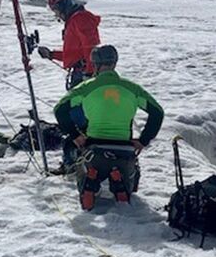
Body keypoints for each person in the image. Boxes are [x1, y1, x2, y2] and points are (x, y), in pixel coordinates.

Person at [54, 45, 164, 210]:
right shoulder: (132, 88)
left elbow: (60, 109)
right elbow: (157, 113)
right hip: (124, 151)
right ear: (115, 63)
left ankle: (90, 181)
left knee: (84, 162)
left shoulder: (87, 87)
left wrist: (75, 135)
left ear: (95, 64)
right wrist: (143, 140)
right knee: (129, 178)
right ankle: (120, 182)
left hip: (94, 149)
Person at [38, 0, 101, 89]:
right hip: (80, 72)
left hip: (84, 74)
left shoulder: (80, 19)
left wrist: (89, 75)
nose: (56, 15)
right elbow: (74, 54)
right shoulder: (73, 21)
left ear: (62, 7)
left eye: (56, 10)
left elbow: (90, 47)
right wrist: (51, 54)